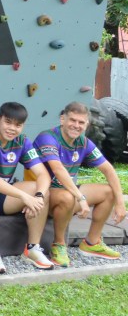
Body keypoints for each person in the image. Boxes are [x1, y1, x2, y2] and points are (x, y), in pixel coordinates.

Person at [33, 101, 126, 267]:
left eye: (81, 122)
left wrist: (120, 203)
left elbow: (108, 170)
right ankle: (59, 245)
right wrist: (80, 198)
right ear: (62, 119)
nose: (76, 125)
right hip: (43, 194)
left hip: (68, 192)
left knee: (109, 191)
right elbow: (58, 170)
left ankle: (92, 243)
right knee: (68, 197)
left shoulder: (84, 142)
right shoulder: (47, 137)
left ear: (87, 124)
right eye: (72, 120)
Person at [0, 102, 54, 270]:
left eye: (18, 125)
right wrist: (23, 197)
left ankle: (32, 248)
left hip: (2, 195)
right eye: (8, 122)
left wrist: (38, 197)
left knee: (41, 190)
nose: (12, 128)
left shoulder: (22, 141)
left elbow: (43, 174)